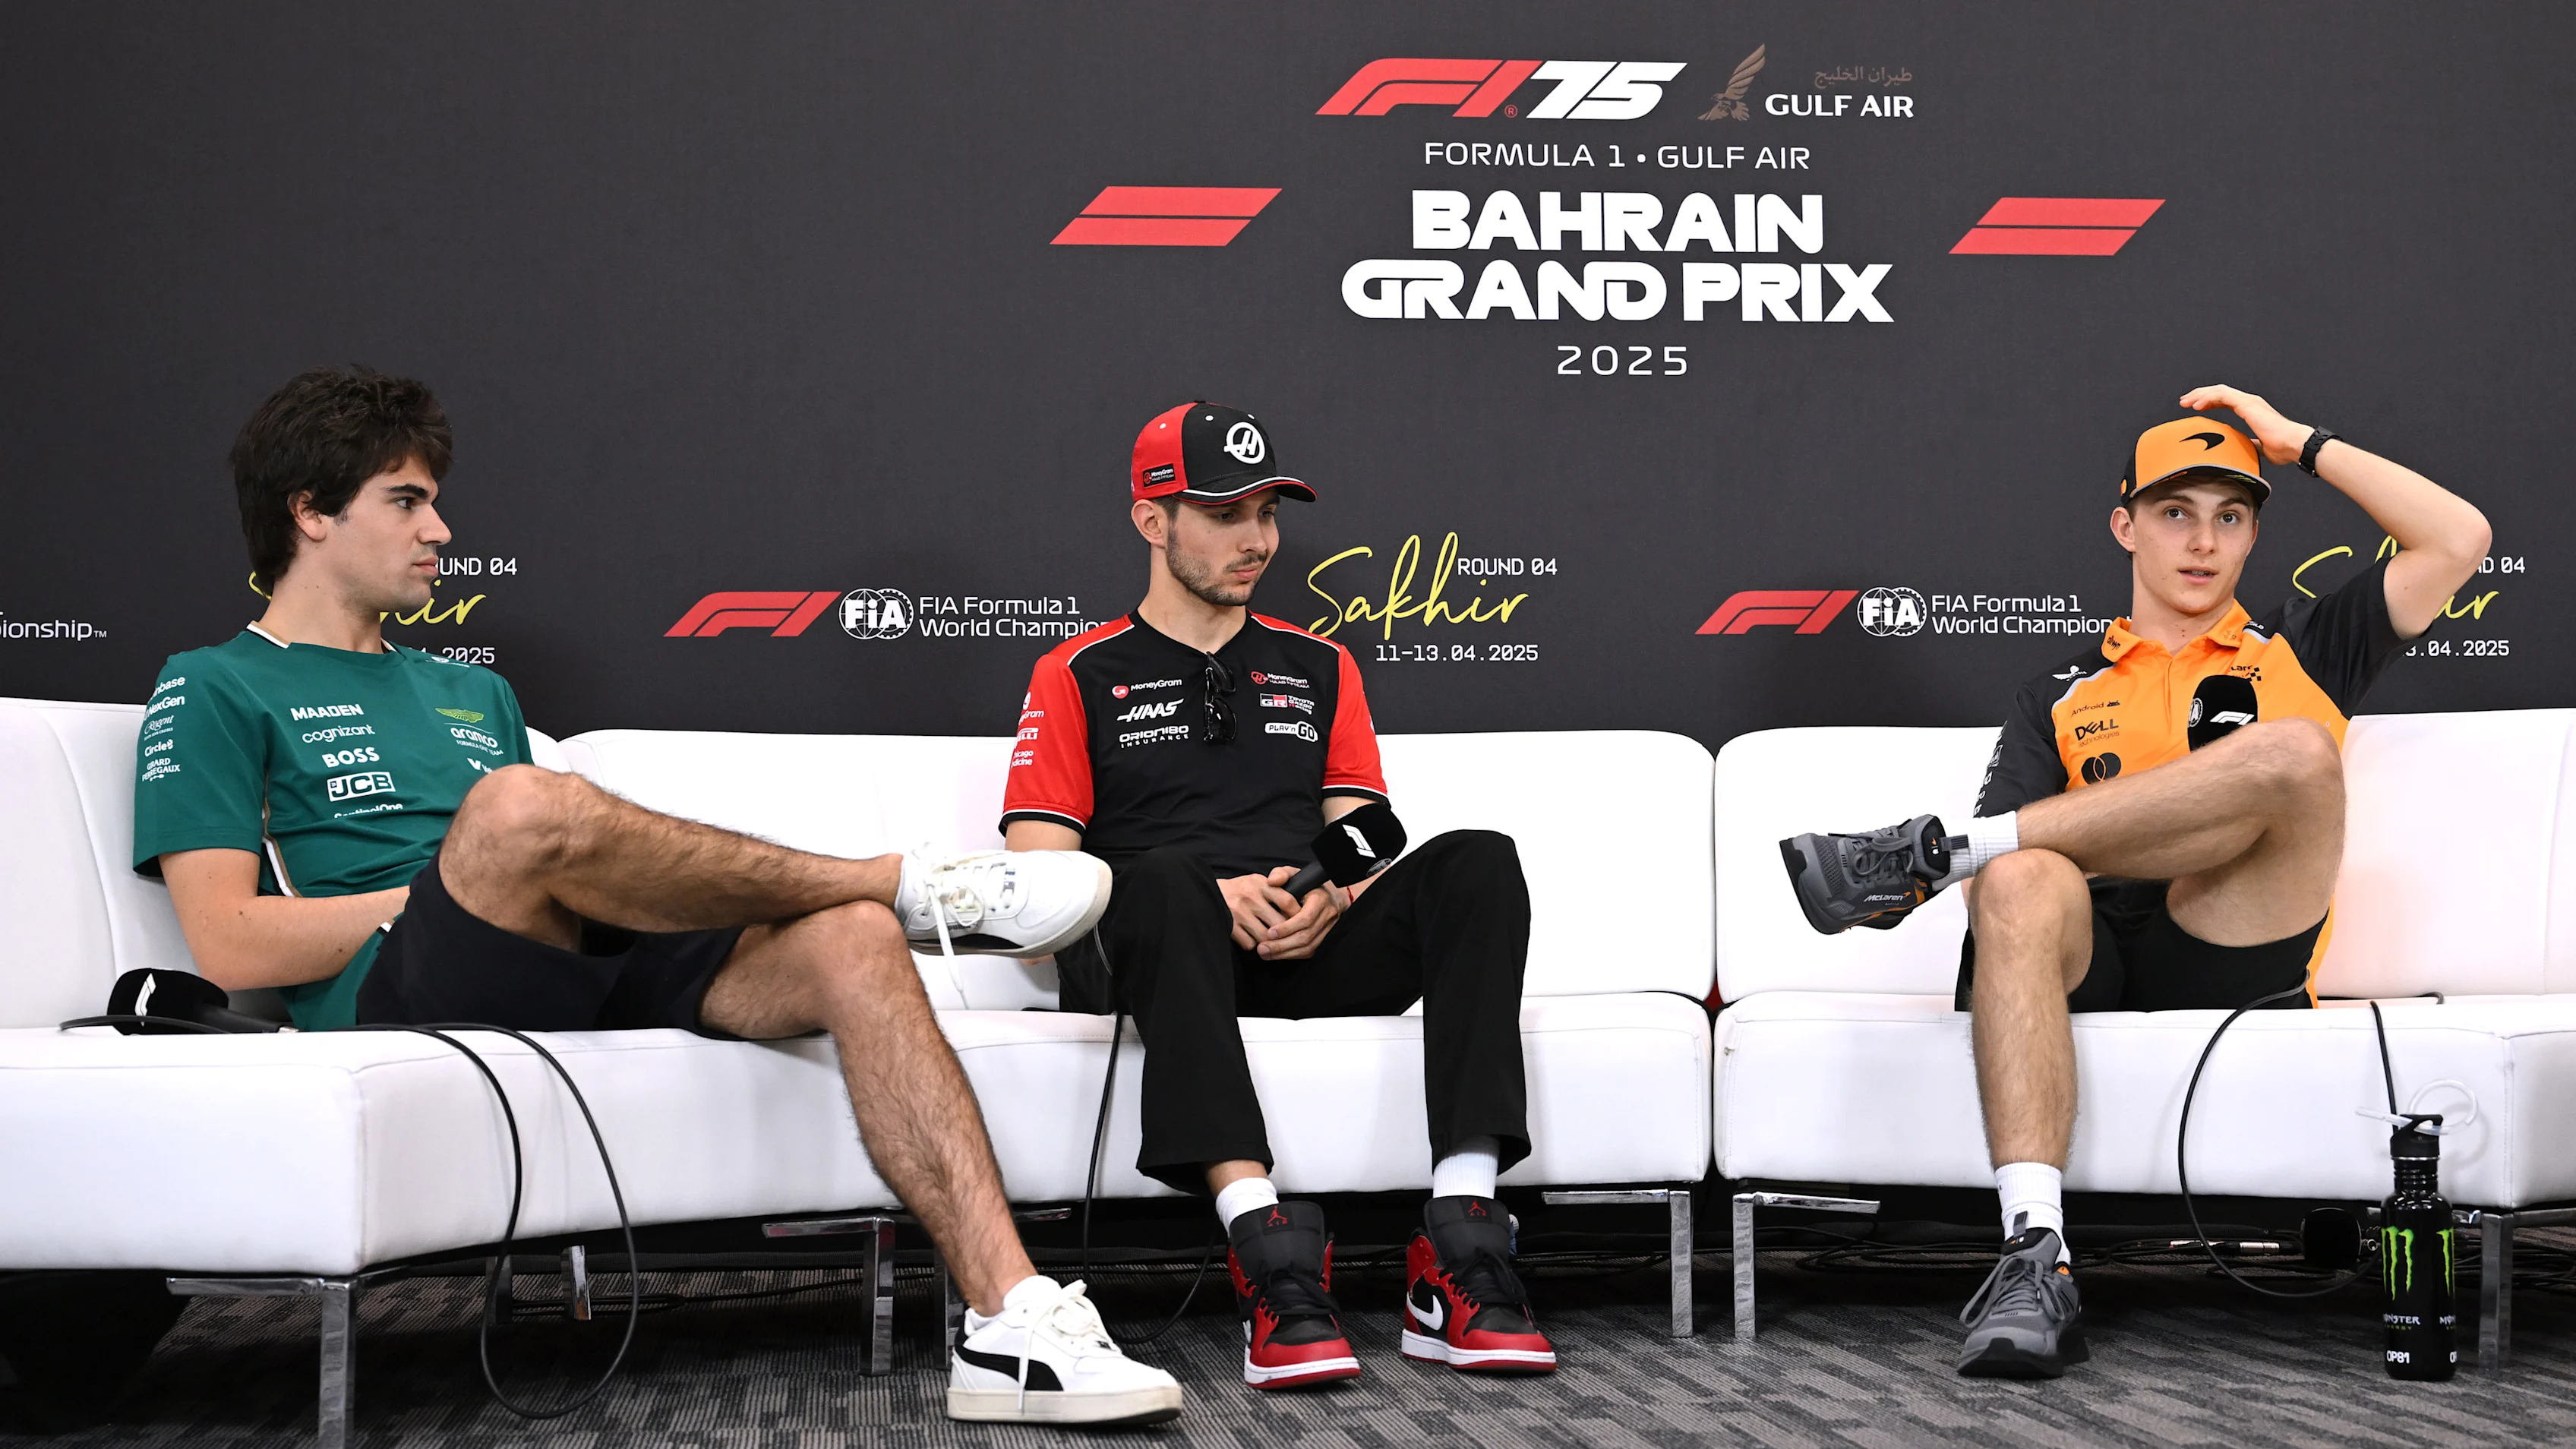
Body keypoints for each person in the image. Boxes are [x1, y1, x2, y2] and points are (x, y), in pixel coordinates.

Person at [131, 366, 1182, 1428]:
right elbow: (228, 947)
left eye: (435, 501)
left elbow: (530, 851)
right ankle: (909, 883)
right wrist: (455, 879)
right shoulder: (215, 683)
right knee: (516, 809)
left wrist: (532, 868)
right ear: (308, 514)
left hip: (565, 945)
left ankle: (1011, 1319)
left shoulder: (471, 689)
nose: (440, 529)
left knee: (853, 942)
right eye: (406, 502)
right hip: (403, 982)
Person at [1777, 386, 2492, 1378]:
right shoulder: (2060, 693)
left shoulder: (2305, 645)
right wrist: (2050, 855)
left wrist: (2299, 443)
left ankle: (1931, 854)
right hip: (2093, 951)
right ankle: (2036, 1253)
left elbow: (2459, 538)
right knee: (2017, 877)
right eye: (2174, 514)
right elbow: (2018, 893)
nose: (2202, 543)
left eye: (2229, 517)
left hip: (2235, 936)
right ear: (2126, 525)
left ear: (2250, 538)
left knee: (2293, 754)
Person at [999, 401, 1554, 1389]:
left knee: (1478, 860)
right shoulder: (1077, 670)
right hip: (1163, 956)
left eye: (1267, 512)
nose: (1256, 539)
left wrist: (1333, 901)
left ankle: (1463, 1245)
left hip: (1304, 948)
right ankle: (1265, 1246)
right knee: (1166, 879)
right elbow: (1037, 886)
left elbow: (1360, 837)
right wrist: (1214, 897)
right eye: (1224, 513)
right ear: (1152, 520)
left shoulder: (1322, 664)